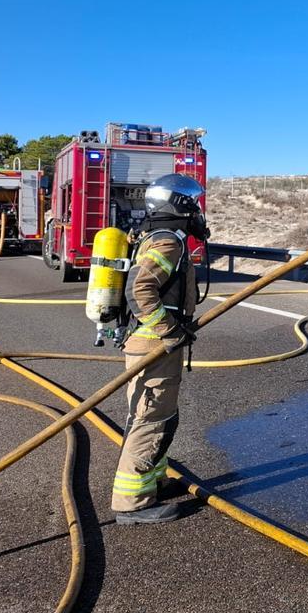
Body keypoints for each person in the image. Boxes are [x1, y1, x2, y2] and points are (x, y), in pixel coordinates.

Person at [111, 173, 208, 524]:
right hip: (153, 345)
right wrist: (169, 331)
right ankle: (132, 503)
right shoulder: (169, 243)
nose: (197, 209)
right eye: (192, 202)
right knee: (151, 420)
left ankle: (152, 482)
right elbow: (140, 291)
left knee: (163, 417)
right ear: (179, 204)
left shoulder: (161, 236)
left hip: (155, 342)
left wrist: (180, 326)